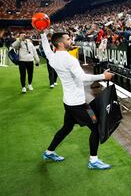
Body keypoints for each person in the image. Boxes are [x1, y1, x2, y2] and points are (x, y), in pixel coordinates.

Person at [40, 31, 114, 170]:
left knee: (66, 128)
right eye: (68, 39)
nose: (71, 39)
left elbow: (46, 48)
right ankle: (93, 161)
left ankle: (49, 152)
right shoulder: (69, 60)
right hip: (78, 104)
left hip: (68, 102)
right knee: (96, 127)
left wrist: (43, 34)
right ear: (61, 43)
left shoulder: (53, 57)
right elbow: (83, 77)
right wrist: (103, 76)